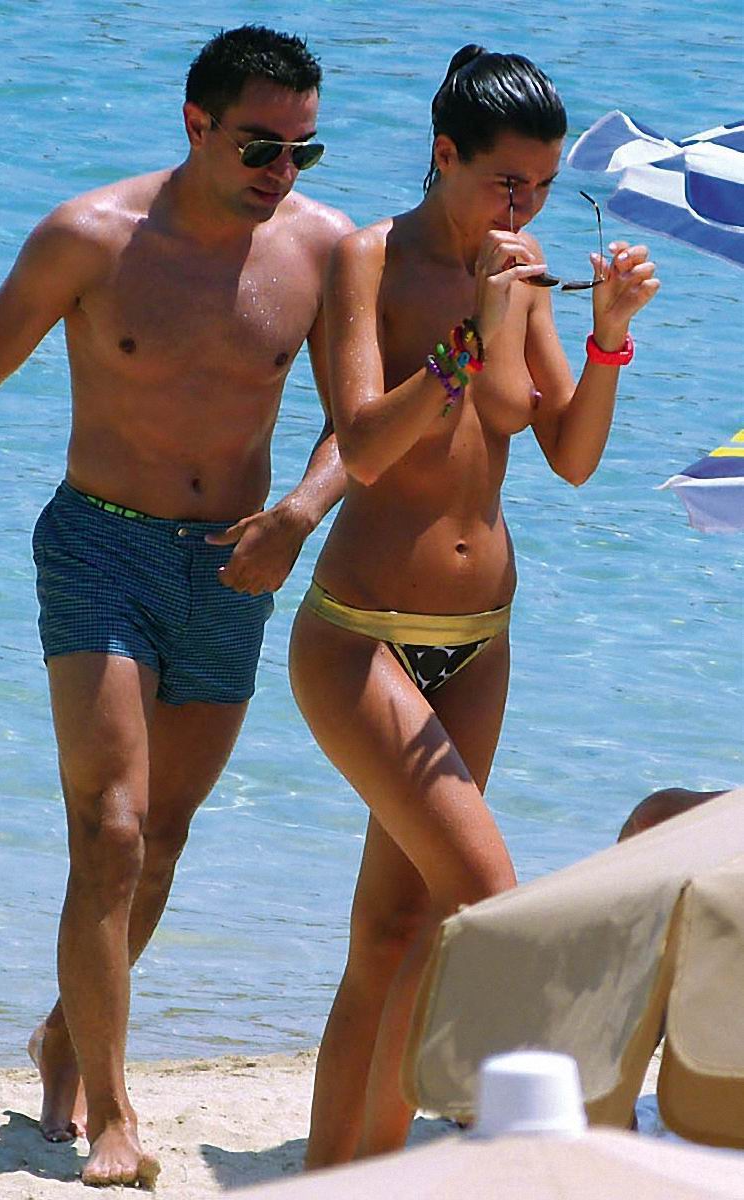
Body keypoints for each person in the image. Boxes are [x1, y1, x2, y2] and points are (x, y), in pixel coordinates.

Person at [0, 24, 351, 1189]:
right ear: (196, 124)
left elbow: (355, 416)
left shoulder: (321, 248)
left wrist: (299, 516)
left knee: (161, 841)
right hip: (98, 545)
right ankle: (112, 1108)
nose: (282, 172)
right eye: (259, 146)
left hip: (236, 560)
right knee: (109, 827)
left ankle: (65, 1035)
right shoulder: (90, 235)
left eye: (303, 150)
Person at [288, 43, 660, 1166]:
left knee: (393, 935)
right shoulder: (366, 260)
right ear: (444, 153)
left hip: (480, 643)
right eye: (507, 181)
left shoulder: (526, 273)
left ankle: (343, 1177)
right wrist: (471, 340)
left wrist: (606, 335)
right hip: (358, 640)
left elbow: (571, 458)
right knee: (485, 897)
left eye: (542, 186)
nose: (523, 207)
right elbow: (360, 445)